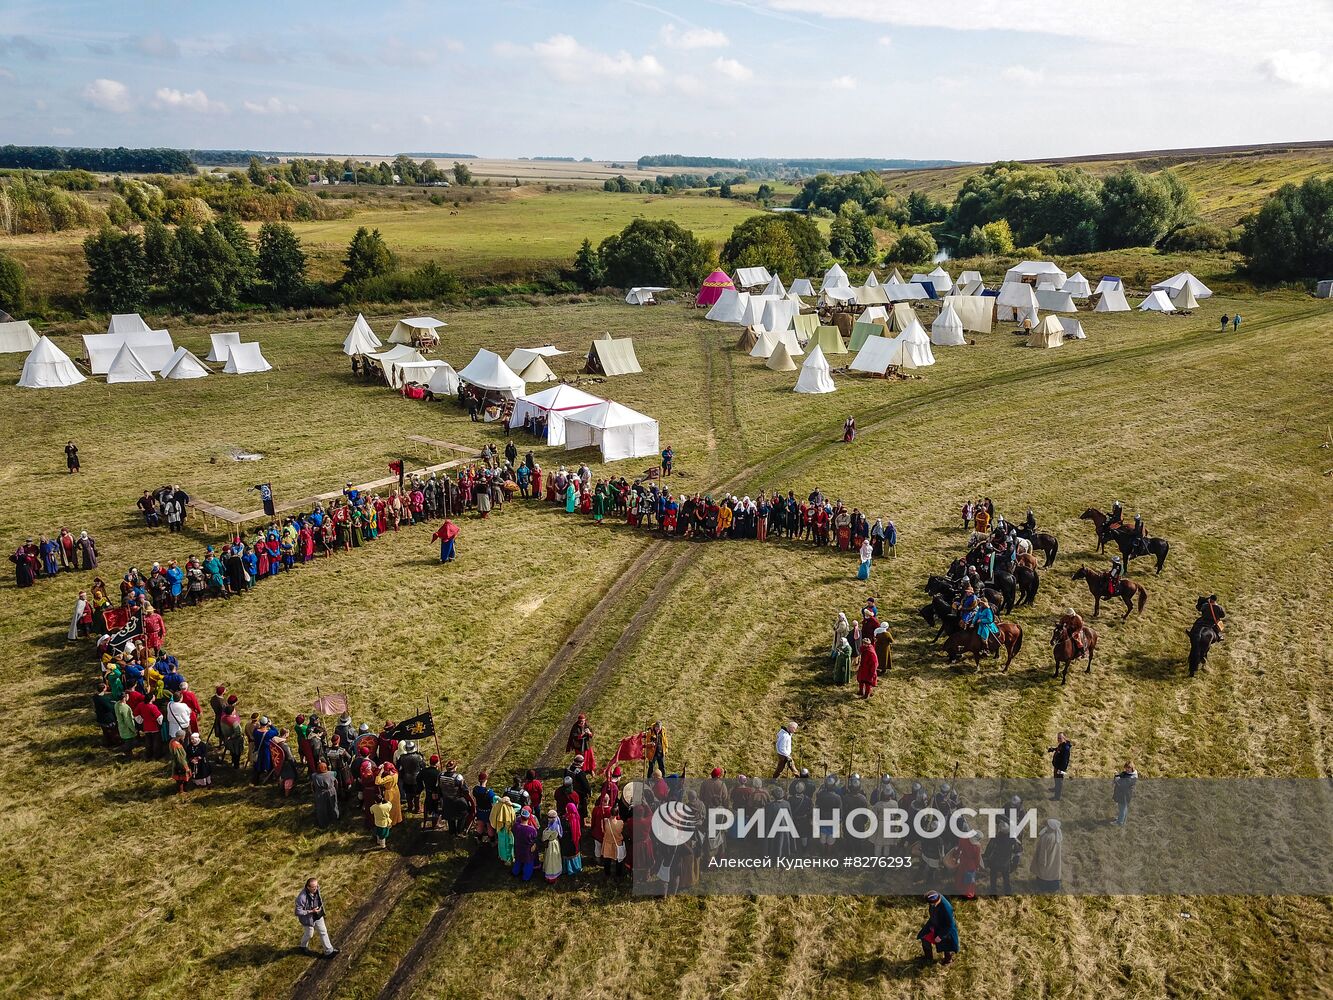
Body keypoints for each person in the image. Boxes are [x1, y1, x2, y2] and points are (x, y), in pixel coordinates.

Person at [294, 878, 339, 957]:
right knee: (309, 934)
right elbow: (297, 912)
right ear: (308, 887)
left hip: (318, 915)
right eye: (314, 887)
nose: (316, 888)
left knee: (323, 931)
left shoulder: (317, 889)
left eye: (317, 886)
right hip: (308, 919)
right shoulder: (301, 897)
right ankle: (303, 946)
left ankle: (329, 951)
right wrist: (311, 911)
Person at [917, 891, 959, 965]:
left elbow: (950, 925)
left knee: (946, 945)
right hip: (934, 924)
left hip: (945, 930)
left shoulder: (946, 908)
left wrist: (940, 936)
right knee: (924, 937)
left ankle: (948, 960)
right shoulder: (934, 901)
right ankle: (928, 958)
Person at [983, 819, 1019, 895]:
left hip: (994, 862)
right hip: (1005, 862)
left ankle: (993, 891)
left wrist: (985, 857)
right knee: (1006, 877)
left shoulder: (995, 839)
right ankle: (1007, 890)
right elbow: (1017, 850)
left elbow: (989, 849)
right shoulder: (1012, 839)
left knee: (993, 876)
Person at [1030, 818, 1063, 891]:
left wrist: (1042, 861)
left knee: (1044, 873)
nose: (1046, 826)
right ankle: (1053, 887)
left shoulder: (1047, 837)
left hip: (1046, 859)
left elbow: (1043, 851)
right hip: (1053, 858)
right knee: (1053, 871)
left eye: (1048, 825)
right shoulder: (1057, 835)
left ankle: (1043, 887)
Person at [1047, 732, 1072, 800]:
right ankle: (1055, 788)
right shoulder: (1061, 745)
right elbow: (1059, 749)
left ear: (1064, 738)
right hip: (1057, 766)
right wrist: (1053, 749)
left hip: (1060, 768)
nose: (1058, 739)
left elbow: (1065, 761)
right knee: (1056, 778)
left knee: (1059, 781)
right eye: (1058, 738)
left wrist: (1061, 770)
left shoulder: (1066, 748)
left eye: (1060, 738)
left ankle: (1057, 797)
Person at [1112, 761, 1138, 826]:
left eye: (1128, 769)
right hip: (1122, 794)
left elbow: (1122, 784)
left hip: (1125, 795)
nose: (1126, 770)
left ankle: (1119, 822)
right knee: (1123, 808)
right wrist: (1117, 775)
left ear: (1132, 768)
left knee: (1122, 808)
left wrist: (1117, 779)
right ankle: (1122, 819)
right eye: (1126, 768)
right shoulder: (1127, 773)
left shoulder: (1132, 777)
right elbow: (1120, 776)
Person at [541, 810, 563, 883]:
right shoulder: (557, 823)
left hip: (551, 844)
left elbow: (544, 837)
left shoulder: (551, 828)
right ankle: (557, 872)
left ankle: (551, 876)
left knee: (550, 860)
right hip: (556, 842)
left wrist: (544, 831)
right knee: (556, 859)